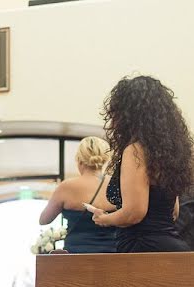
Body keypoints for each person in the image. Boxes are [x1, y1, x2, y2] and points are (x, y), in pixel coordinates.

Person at [91, 75, 193, 252]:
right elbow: (174, 212)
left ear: (128, 114)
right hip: (173, 247)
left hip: (142, 248)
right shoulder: (168, 154)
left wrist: (104, 218)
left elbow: (134, 213)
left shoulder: (136, 151)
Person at [38, 136, 117, 253]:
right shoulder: (117, 185)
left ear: (79, 160)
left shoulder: (66, 187)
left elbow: (44, 220)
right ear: (105, 159)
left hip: (76, 256)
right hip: (114, 255)